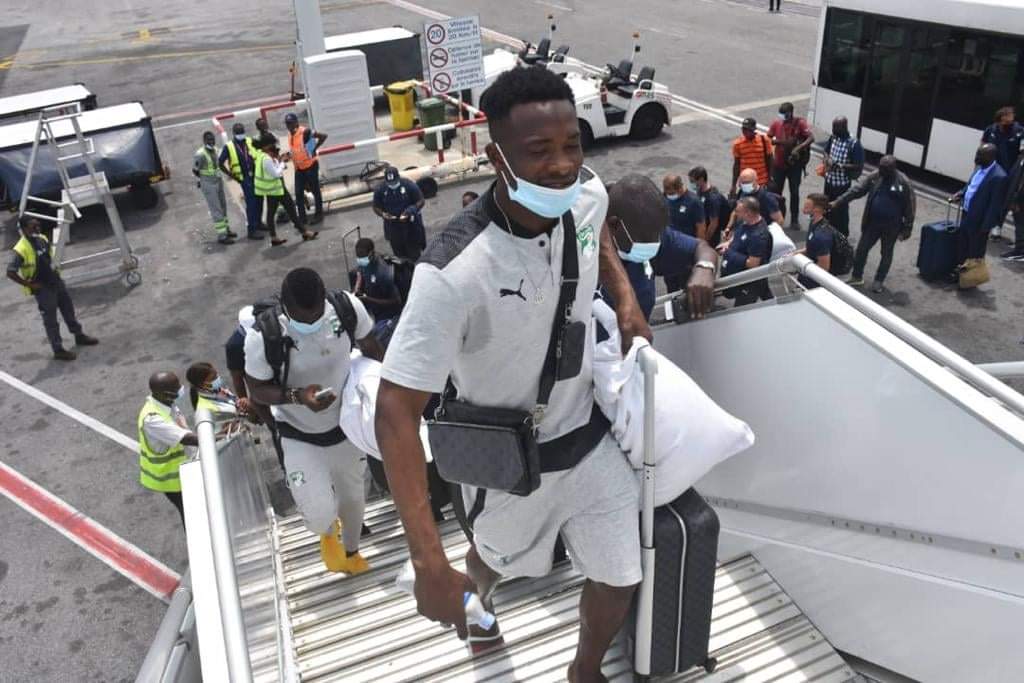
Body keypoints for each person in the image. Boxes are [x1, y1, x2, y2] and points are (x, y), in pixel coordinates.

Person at [375, 65, 652, 682]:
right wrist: (427, 564)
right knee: (488, 564)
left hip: (585, 438)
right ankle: (480, 613)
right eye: (539, 151)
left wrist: (625, 298)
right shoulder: (453, 272)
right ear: (496, 157)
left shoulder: (585, 195)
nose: (562, 165)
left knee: (620, 577)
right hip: (508, 463)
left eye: (572, 145)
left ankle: (584, 670)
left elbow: (600, 227)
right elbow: (394, 408)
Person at [245, 268, 384, 574]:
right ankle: (327, 530)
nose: (309, 323)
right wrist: (297, 396)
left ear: (324, 299)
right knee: (319, 513)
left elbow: (372, 348)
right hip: (298, 434)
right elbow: (256, 390)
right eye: (301, 319)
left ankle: (351, 554)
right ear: (285, 306)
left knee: (353, 501)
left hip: (346, 428)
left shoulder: (346, 307)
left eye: (316, 315)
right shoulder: (263, 335)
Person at [604, 175, 717, 319]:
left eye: (657, 233)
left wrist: (704, 268)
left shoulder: (649, 231)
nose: (654, 242)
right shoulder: (584, 257)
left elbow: (701, 247)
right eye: (646, 236)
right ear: (614, 225)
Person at [7, 217, 98, 361]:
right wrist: (30, 285)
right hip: (43, 289)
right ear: (24, 229)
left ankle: (79, 335)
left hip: (56, 282)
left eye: (37, 225)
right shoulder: (21, 249)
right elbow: (10, 272)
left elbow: (50, 258)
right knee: (51, 321)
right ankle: (58, 350)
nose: (37, 228)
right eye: (33, 226)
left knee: (68, 311)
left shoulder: (42, 238)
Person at [831, 155, 916, 292]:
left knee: (886, 253)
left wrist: (907, 229)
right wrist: (838, 201)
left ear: (893, 168)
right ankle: (856, 276)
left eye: (885, 169)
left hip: (892, 227)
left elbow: (910, 207)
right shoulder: (875, 176)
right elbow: (856, 190)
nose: (881, 171)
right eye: (880, 167)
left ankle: (879, 281)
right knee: (861, 250)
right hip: (872, 223)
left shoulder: (904, 182)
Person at [138, 372, 198, 527]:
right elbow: (187, 438)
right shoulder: (153, 419)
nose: (180, 389)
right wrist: (217, 438)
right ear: (164, 394)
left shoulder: (165, 403)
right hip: (173, 481)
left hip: (184, 472)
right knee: (192, 516)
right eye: (176, 388)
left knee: (195, 512)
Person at [950, 144, 1008, 278]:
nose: (977, 157)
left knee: (974, 252)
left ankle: (970, 279)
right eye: (977, 153)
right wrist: (960, 193)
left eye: (980, 155)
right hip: (966, 214)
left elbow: (995, 205)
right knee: (962, 245)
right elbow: (970, 186)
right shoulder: (979, 168)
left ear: (991, 157)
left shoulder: (999, 177)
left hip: (979, 222)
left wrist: (986, 227)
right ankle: (959, 274)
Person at [253, 134, 318, 246]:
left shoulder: (260, 155)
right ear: (266, 146)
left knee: (272, 213)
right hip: (276, 190)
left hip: (272, 190)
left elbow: (271, 168)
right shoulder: (266, 159)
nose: (274, 146)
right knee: (291, 209)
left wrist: (279, 160)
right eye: (272, 144)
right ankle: (304, 232)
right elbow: (276, 174)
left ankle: (275, 237)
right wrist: (282, 163)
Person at [718, 196, 773, 307]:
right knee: (764, 292)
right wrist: (728, 243)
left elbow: (753, 263)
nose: (736, 213)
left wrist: (729, 252)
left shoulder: (758, 236)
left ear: (748, 213)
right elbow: (738, 235)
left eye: (738, 211)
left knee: (741, 309)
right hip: (739, 272)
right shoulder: (745, 221)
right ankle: (773, 304)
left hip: (749, 280)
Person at [767, 102, 814, 230]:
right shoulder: (776, 124)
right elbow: (768, 138)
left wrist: (798, 148)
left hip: (794, 166)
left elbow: (811, 138)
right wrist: (778, 142)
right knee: (776, 192)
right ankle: (777, 217)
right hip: (779, 164)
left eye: (784, 114)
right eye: (781, 114)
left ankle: (794, 220)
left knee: (794, 192)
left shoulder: (800, 123)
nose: (782, 116)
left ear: (790, 113)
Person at [981, 107, 1024, 241]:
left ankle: (997, 226)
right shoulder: (991, 130)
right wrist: (978, 169)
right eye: (1008, 116)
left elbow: (1022, 152)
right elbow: (982, 147)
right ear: (1001, 118)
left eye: (1012, 115)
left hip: (1009, 172)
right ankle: (984, 222)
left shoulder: (1019, 131)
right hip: (991, 170)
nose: (1012, 118)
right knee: (987, 196)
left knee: (1003, 201)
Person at [218, 122, 263, 241]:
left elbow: (258, 152)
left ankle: (259, 223)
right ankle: (252, 230)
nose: (241, 134)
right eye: (238, 133)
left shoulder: (249, 141)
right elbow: (220, 163)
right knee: (251, 203)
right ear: (234, 133)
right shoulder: (229, 146)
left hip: (256, 175)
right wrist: (231, 175)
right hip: (244, 178)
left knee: (259, 199)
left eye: (242, 132)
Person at [821, 116, 864, 236]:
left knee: (841, 211)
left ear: (843, 127)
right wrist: (827, 159)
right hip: (829, 181)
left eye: (835, 127)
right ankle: (827, 232)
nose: (833, 130)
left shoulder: (854, 143)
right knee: (827, 207)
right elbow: (825, 151)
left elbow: (858, 165)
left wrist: (840, 165)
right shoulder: (833, 137)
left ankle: (843, 236)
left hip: (842, 185)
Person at [373, 166, 426, 260]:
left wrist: (410, 210)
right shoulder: (380, 189)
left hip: (410, 226)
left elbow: (421, 200)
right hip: (393, 227)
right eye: (390, 183)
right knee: (399, 257)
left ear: (398, 177)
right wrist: (383, 214)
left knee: (414, 255)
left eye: (394, 182)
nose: (392, 185)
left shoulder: (409, 185)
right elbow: (376, 207)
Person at [353, 237, 403, 336]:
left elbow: (396, 301)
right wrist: (357, 288)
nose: (360, 260)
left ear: (371, 253)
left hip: (387, 315)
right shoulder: (365, 263)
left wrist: (368, 299)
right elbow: (360, 272)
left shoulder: (383, 273)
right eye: (358, 257)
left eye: (362, 257)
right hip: (375, 310)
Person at [193, 131, 236, 244]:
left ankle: (226, 230)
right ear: (204, 141)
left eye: (212, 139)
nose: (211, 142)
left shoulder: (216, 150)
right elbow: (195, 170)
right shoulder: (200, 154)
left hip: (218, 181)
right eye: (209, 140)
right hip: (208, 184)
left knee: (223, 206)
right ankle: (222, 236)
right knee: (216, 209)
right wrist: (202, 180)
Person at [285, 112, 328, 226]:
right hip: (299, 168)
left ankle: (319, 214)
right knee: (298, 193)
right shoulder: (289, 135)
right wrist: (289, 155)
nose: (289, 126)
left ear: (296, 122)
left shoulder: (305, 132)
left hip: (310, 166)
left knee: (315, 191)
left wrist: (314, 148)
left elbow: (323, 136)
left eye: (291, 123)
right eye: (287, 123)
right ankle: (302, 219)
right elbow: (296, 149)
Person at [725, 168, 784, 234]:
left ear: (756, 180)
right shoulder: (742, 193)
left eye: (747, 182)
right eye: (742, 183)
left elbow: (779, 220)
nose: (744, 185)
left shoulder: (767, 198)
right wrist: (728, 228)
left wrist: (767, 235)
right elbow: (735, 212)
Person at [799, 193, 834, 289]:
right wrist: (795, 254)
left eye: (807, 205)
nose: (803, 207)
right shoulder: (814, 222)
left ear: (817, 209)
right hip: (808, 268)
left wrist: (808, 278)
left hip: (813, 277)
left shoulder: (821, 237)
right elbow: (812, 248)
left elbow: (824, 267)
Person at [731, 117, 773, 196]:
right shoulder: (737, 144)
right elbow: (737, 165)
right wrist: (733, 185)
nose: (745, 131)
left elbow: (770, 160)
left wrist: (770, 178)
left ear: (754, 129)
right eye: (743, 129)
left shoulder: (764, 140)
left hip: (762, 184)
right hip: (746, 184)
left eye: (748, 129)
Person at [689, 166, 729, 246]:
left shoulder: (712, 198)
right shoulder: (700, 189)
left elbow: (713, 223)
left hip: (711, 233)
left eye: (692, 181)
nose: (691, 184)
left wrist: (705, 241)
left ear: (701, 179)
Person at [663, 174, 706, 239]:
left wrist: (699, 244)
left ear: (680, 188)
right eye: (667, 193)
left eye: (671, 193)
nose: (669, 196)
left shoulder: (694, 202)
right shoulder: (665, 196)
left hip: (687, 241)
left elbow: (701, 228)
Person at [1001, 153, 1024, 261]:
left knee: (1020, 224)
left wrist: (1016, 200)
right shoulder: (1021, 157)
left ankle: (1020, 250)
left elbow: (1020, 183)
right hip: (1017, 199)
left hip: (1020, 202)